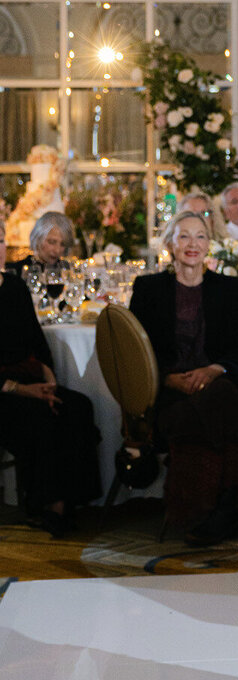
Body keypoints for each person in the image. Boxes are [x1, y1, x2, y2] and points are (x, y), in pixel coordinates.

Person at [130, 212, 238, 547]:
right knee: (224, 409)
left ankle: (211, 513)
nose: (192, 244)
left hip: (218, 384)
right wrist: (170, 379)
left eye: (199, 237)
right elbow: (139, 355)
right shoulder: (148, 289)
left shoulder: (228, 288)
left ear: (209, 245)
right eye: (183, 237)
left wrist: (212, 371)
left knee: (221, 393)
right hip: (168, 393)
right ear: (169, 244)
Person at [0, 229, 100, 535]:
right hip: (3, 390)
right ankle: (48, 506)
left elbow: (36, 341)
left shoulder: (15, 286)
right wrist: (23, 390)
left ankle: (72, 499)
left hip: (30, 377)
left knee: (78, 406)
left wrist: (49, 378)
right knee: (41, 417)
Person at [22, 212, 76, 288]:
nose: (57, 250)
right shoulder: (20, 270)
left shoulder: (68, 270)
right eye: (52, 242)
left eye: (62, 244)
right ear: (38, 239)